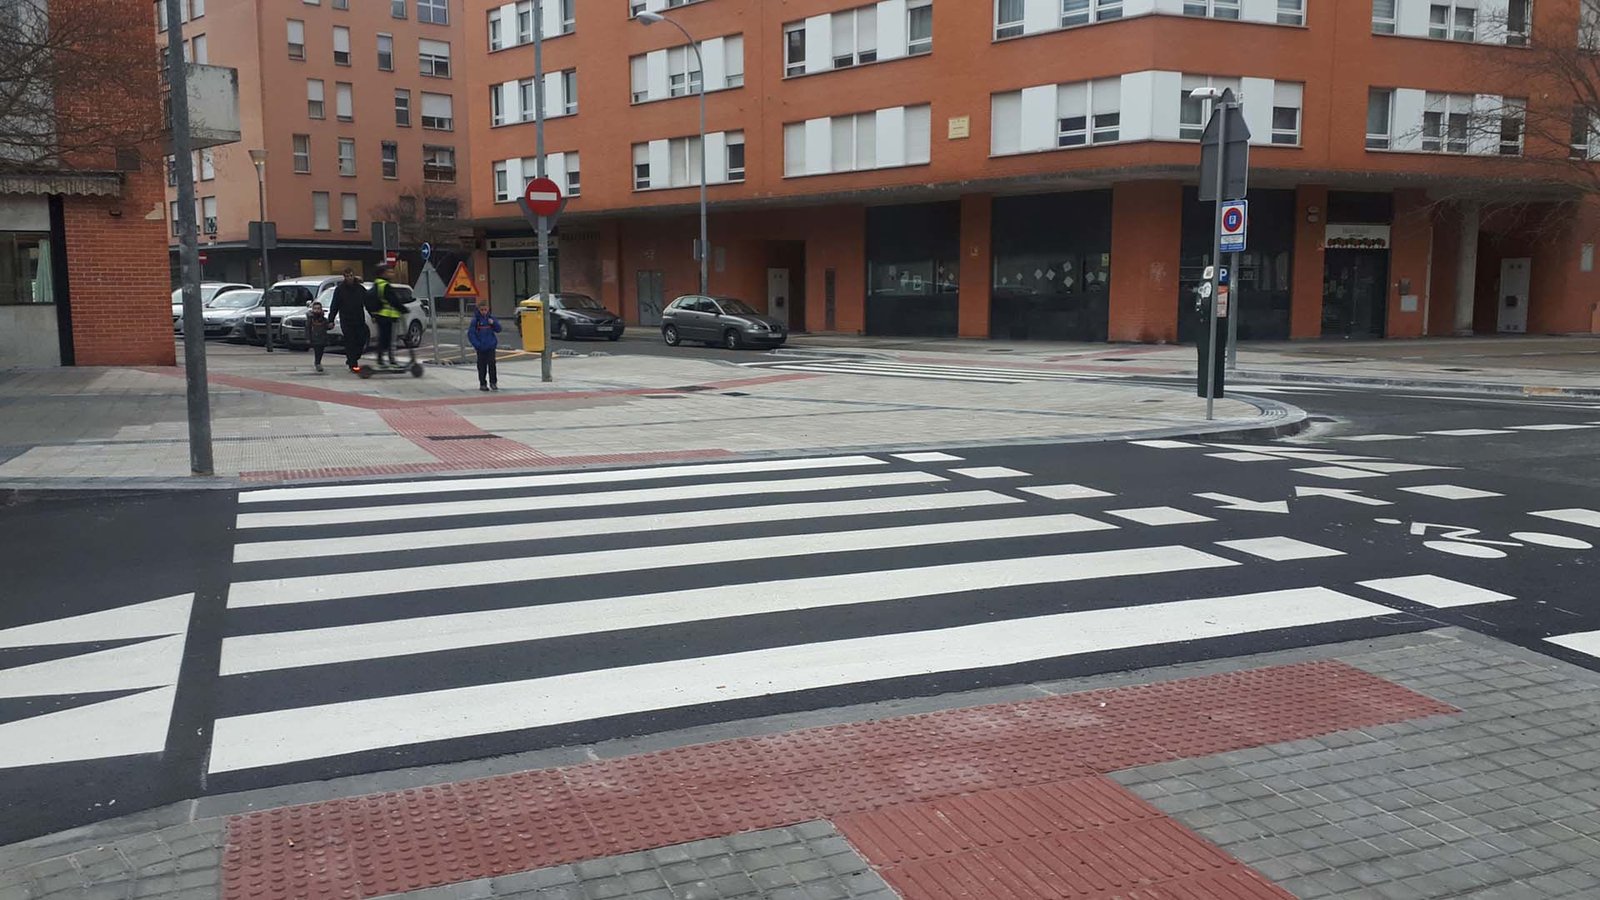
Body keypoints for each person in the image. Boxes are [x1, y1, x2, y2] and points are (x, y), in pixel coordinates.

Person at [327, 269, 368, 372]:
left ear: (353, 276)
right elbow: (334, 306)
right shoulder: (339, 290)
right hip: (346, 321)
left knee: (361, 340)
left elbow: (368, 302)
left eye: (350, 275)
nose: (349, 278)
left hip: (359, 319)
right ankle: (353, 364)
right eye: (347, 276)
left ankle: (353, 358)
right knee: (350, 342)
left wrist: (373, 314)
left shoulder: (360, 289)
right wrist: (331, 320)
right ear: (344, 277)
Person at [369, 265, 404, 368]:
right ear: (383, 273)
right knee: (390, 340)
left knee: (383, 339)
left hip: (381, 316)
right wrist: (403, 309)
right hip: (388, 316)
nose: (391, 274)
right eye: (389, 272)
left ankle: (381, 359)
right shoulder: (385, 285)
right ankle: (391, 360)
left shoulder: (377, 284)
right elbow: (393, 301)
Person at [468, 298, 502, 391]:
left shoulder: (491, 319)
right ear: (478, 310)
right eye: (482, 310)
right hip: (481, 347)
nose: (484, 312)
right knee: (481, 366)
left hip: (490, 346)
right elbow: (471, 334)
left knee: (492, 365)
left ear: (488, 309)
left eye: (485, 310)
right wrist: (477, 345)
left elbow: (499, 329)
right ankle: (483, 383)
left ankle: (493, 383)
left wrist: (494, 323)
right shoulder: (475, 321)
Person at [306, 300, 330, 374]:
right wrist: (308, 338)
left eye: (318, 308)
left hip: (322, 337)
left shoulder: (323, 319)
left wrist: (330, 326)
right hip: (314, 337)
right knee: (317, 351)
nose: (317, 310)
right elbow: (308, 328)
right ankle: (317, 363)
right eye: (315, 308)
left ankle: (318, 362)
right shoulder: (310, 318)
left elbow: (326, 326)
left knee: (321, 350)